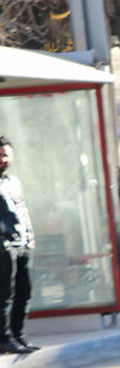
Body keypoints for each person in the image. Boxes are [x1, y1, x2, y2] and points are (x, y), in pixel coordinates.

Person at [0, 136, 37, 354]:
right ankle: (4, 339)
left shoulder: (13, 181)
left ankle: (18, 335)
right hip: (3, 246)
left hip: (22, 244)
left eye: (5, 154)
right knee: (5, 295)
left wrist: (29, 239)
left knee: (25, 291)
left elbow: (22, 212)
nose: (2, 159)